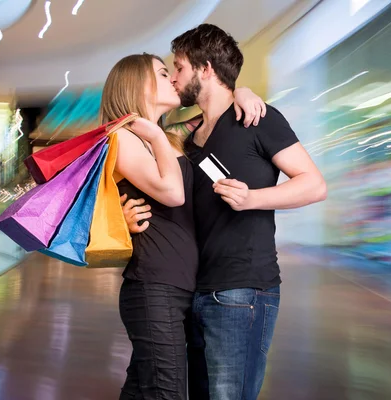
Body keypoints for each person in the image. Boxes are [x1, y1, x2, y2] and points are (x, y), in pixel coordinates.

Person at [124, 25, 327, 400]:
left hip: (243, 289)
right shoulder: (189, 136)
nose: (175, 78)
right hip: (196, 291)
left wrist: (253, 198)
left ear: (205, 69)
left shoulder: (258, 118)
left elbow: (315, 184)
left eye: (179, 68)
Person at [100, 53, 266, 400]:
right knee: (166, 391)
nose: (173, 79)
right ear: (138, 84)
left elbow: (213, 113)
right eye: (163, 73)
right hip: (153, 284)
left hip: (180, 284)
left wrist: (242, 93)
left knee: (145, 388)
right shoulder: (124, 137)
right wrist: (157, 138)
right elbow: (173, 194)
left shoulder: (165, 136)